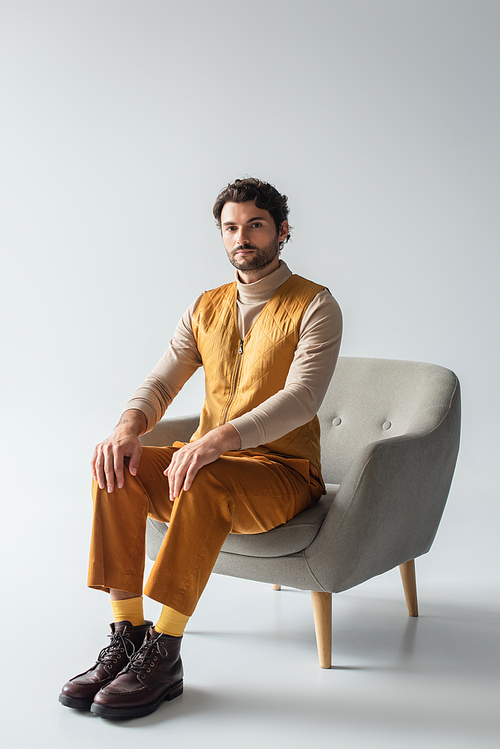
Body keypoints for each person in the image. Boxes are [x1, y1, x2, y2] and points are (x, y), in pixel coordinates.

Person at [59, 177, 342, 720]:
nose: (243, 237)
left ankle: (165, 653)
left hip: (281, 474)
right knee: (116, 466)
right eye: (231, 228)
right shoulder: (206, 307)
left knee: (203, 474)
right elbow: (162, 381)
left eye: (255, 225)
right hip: (209, 461)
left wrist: (218, 439)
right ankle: (127, 635)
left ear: (282, 231)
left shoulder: (316, 305)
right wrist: (127, 428)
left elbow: (302, 398)